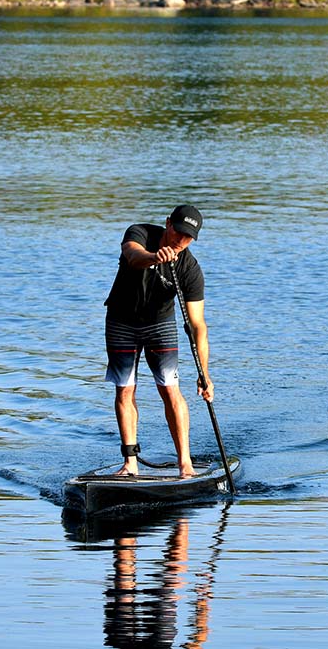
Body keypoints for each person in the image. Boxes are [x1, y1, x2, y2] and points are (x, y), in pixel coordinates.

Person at [103, 205, 213, 478]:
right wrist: (154, 257)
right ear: (167, 223)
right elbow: (132, 256)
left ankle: (185, 464)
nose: (180, 240)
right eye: (177, 231)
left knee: (169, 390)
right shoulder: (139, 233)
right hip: (121, 320)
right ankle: (130, 464)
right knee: (125, 390)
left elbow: (198, 325)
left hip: (159, 325)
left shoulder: (190, 269)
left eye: (188, 237)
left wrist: (205, 374)